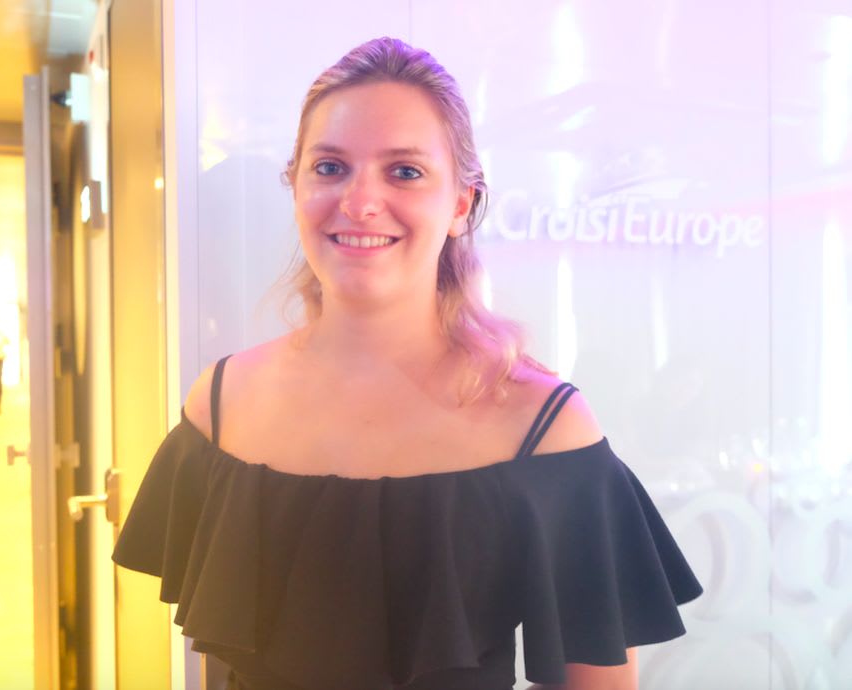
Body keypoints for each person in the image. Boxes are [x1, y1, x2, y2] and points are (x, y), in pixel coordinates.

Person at [113, 37, 702, 690]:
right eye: (330, 167)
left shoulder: (543, 426)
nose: (360, 201)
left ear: (460, 204)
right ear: (295, 185)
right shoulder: (220, 406)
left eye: (404, 172)